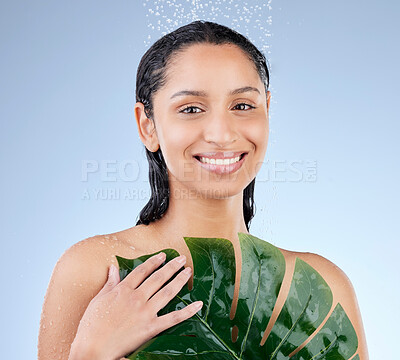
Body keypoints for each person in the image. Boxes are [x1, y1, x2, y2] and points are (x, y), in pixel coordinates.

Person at [38, 20, 369, 359]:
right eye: (191, 109)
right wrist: (91, 352)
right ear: (147, 125)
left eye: (242, 106)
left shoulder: (319, 283)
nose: (222, 134)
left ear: (267, 110)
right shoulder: (95, 269)